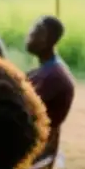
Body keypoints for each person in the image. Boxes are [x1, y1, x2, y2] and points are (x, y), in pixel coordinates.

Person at [25, 15, 75, 160]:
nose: (30, 36)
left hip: (37, 146)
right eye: (31, 31)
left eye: (36, 33)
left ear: (50, 40)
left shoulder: (53, 76)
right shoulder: (46, 68)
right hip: (29, 135)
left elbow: (22, 109)